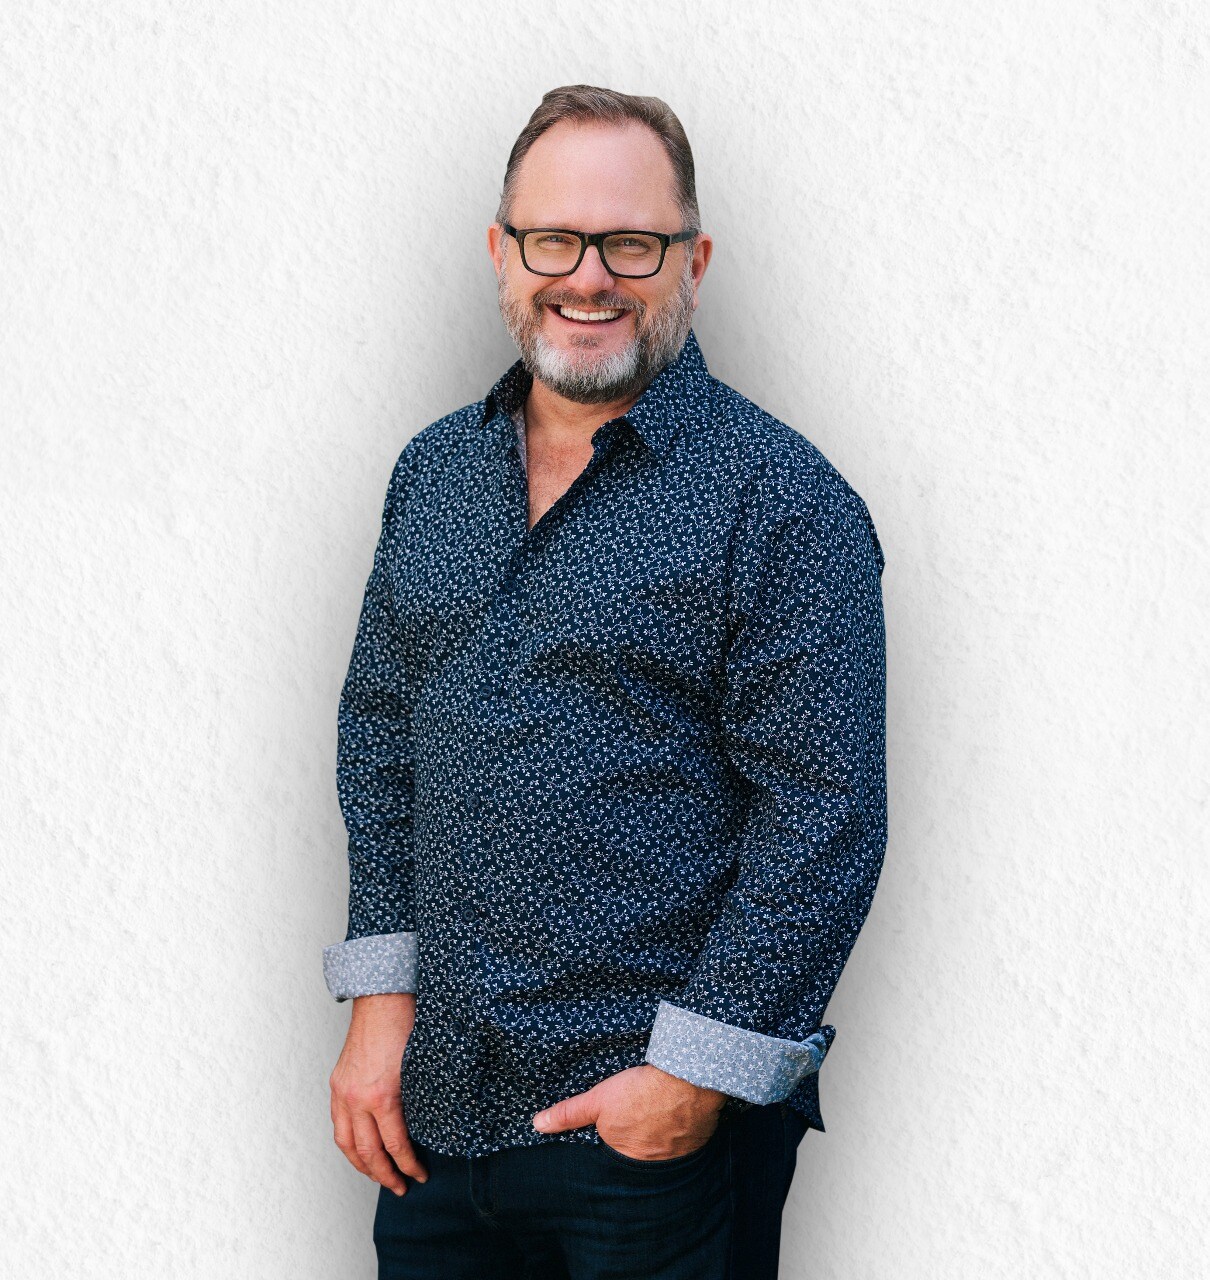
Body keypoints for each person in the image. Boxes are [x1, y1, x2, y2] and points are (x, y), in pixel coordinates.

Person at [323, 84, 888, 1280]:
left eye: (631, 242)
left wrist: (689, 1076)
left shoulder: (782, 501)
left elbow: (823, 814)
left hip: (652, 1142)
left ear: (693, 261)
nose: (587, 276)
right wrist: (380, 1000)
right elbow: (381, 739)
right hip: (436, 1117)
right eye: (553, 239)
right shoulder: (433, 472)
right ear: (500, 251)